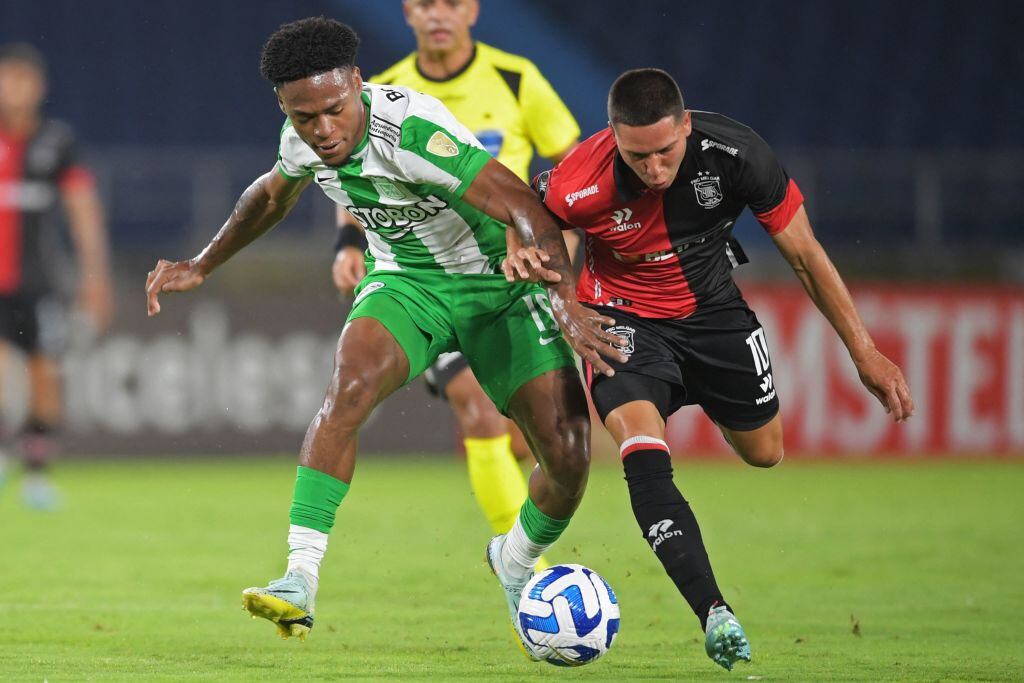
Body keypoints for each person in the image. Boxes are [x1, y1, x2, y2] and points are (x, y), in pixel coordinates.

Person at [144, 17, 625, 649]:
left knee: (568, 457)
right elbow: (271, 196)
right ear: (286, 108)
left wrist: (565, 300)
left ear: (357, 83)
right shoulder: (299, 139)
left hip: (496, 283)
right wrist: (203, 263)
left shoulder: (412, 131)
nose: (323, 130)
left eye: (334, 111)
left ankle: (513, 559)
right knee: (348, 389)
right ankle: (299, 577)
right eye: (304, 116)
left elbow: (521, 204)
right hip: (407, 282)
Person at [510, 68, 914, 670]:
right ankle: (713, 611)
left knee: (765, 452)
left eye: (665, 152)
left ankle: (703, 395)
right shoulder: (580, 178)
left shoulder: (738, 154)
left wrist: (864, 351)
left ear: (686, 126)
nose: (654, 168)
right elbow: (529, 218)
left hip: (715, 318)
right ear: (614, 137)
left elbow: (805, 255)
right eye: (637, 155)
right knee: (642, 453)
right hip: (622, 321)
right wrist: (550, 286)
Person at [331, 0, 580, 556]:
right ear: (408, 13)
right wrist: (346, 244)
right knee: (477, 408)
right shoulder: (381, 94)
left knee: (526, 437)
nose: (437, 15)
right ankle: (526, 570)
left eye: (451, 3)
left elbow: (574, 170)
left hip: (513, 279)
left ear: (472, 10)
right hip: (428, 277)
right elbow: (350, 179)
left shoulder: (516, 79)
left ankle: (518, 542)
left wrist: (557, 251)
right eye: (425, 4)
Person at [0, 43, 113, 509]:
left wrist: (95, 277)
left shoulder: (56, 142)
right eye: (7, 80)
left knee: (45, 374)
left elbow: (82, 210)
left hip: (38, 282)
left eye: (22, 80)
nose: (14, 90)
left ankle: (36, 475)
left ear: (38, 88)